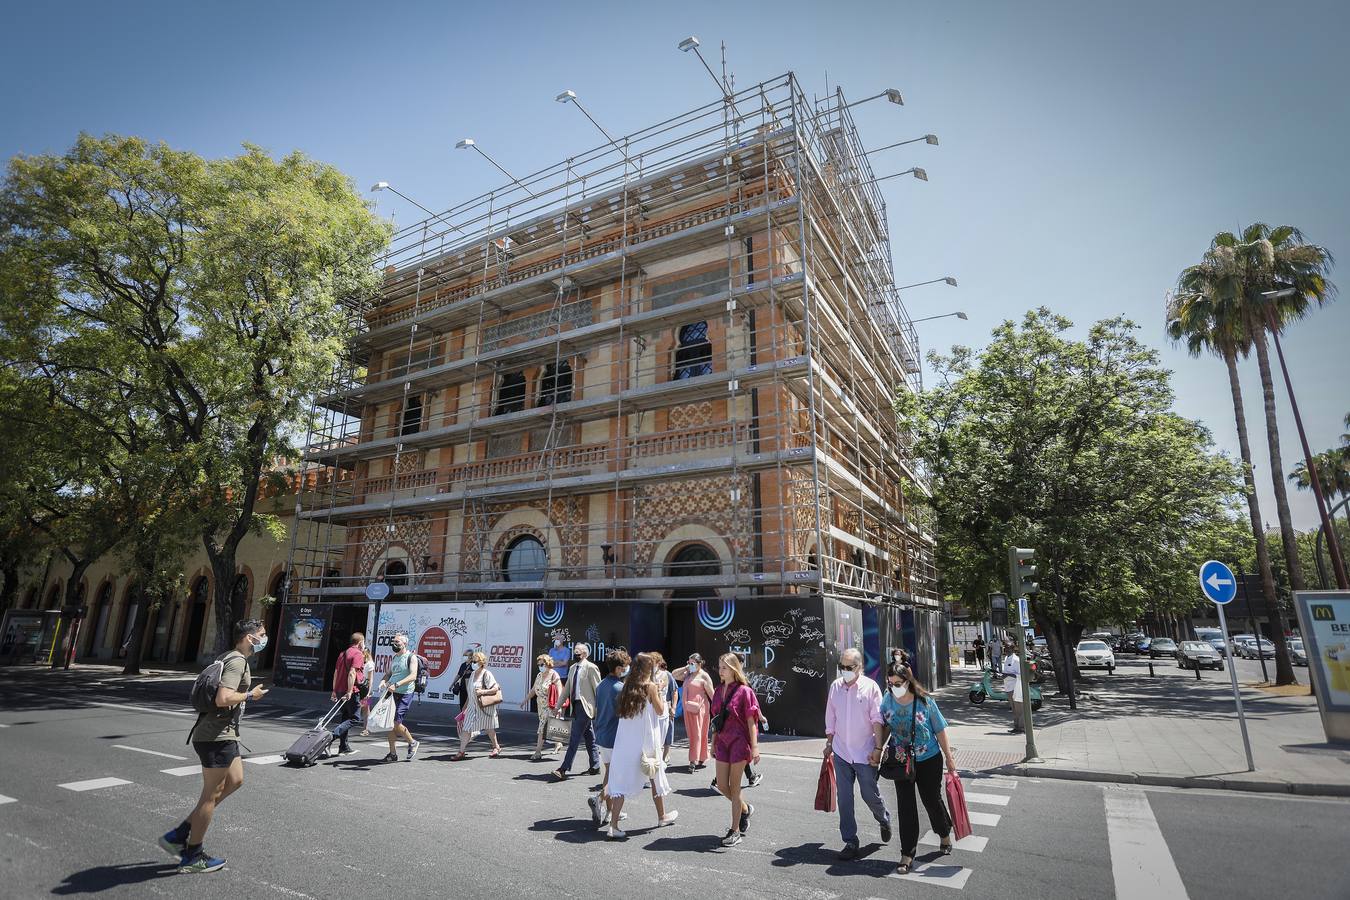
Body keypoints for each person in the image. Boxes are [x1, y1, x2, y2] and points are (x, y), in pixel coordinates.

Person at [159, 619, 269, 874]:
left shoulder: (227, 656)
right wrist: (251, 694)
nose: (265, 639)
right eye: (262, 635)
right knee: (210, 796)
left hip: (225, 734)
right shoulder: (237, 660)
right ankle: (192, 854)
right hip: (215, 735)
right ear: (250, 638)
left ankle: (182, 832)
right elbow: (223, 698)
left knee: (236, 780)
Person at [881, 661, 957, 874]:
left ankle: (943, 832)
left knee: (931, 800)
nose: (894, 687)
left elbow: (940, 730)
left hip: (929, 759)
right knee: (905, 807)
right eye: (890, 683)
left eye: (898, 683)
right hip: (901, 761)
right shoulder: (887, 700)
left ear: (908, 681)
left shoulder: (925, 701)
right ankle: (907, 854)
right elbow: (885, 725)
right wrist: (878, 748)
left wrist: (949, 758)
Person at [824, 646, 892, 861]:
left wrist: (878, 749)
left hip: (865, 753)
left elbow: (877, 720)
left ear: (859, 667)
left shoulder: (870, 688)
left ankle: (883, 818)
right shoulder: (835, 687)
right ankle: (850, 841)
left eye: (849, 667)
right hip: (842, 752)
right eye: (841, 666)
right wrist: (829, 743)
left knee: (869, 794)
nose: (844, 671)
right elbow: (831, 718)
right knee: (844, 798)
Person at [605, 652, 678, 839]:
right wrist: (660, 692)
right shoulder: (650, 686)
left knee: (620, 781)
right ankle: (662, 816)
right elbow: (661, 710)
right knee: (655, 774)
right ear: (648, 668)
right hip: (647, 739)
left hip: (625, 741)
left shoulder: (627, 686)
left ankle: (613, 825)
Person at [709, 653, 760, 847]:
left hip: (740, 742)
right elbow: (715, 721)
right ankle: (745, 809)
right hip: (722, 742)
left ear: (734, 669)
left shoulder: (744, 691)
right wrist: (713, 743)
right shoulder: (718, 690)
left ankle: (735, 830)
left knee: (736, 787)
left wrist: (755, 747)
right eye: (720, 667)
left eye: (724, 667)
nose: (720, 670)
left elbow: (751, 721)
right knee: (722, 785)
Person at [588, 649, 630, 827]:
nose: (627, 669)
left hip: (602, 736)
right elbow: (627, 713)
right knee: (616, 779)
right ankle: (599, 798)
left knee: (609, 774)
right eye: (626, 666)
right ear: (619, 668)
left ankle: (610, 812)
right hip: (615, 738)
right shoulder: (620, 688)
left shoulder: (602, 685)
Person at [553, 642, 601, 780]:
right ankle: (595, 765)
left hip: (586, 707)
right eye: (575, 651)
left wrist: (598, 710)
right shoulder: (573, 668)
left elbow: (598, 690)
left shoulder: (591, 668)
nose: (576, 653)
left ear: (585, 654)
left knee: (574, 737)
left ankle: (563, 768)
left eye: (578, 651)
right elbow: (566, 689)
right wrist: (558, 706)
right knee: (589, 736)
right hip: (576, 706)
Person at [454, 651, 502, 759]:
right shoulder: (472, 674)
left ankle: (496, 747)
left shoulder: (487, 674)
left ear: (481, 662)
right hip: (472, 707)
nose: (472, 663)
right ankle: (461, 752)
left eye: (475, 661)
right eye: (472, 661)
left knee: (489, 728)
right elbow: (470, 693)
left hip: (485, 707)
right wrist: (464, 707)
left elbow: (495, 688)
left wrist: (482, 692)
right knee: (466, 728)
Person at [380, 633, 420, 762]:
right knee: (390, 724)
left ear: (405, 644)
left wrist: (397, 684)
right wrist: (383, 681)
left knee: (396, 723)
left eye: (397, 642)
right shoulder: (395, 658)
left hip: (405, 693)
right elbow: (388, 674)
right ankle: (392, 754)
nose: (394, 644)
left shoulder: (411, 657)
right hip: (392, 692)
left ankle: (412, 742)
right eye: (393, 642)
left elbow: (413, 676)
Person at [673, 653, 714, 771]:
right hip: (688, 709)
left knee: (698, 734)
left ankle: (693, 760)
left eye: (693, 663)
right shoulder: (687, 674)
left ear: (699, 664)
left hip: (700, 709)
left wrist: (717, 710)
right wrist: (686, 667)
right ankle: (700, 757)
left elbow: (712, 695)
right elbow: (674, 674)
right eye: (689, 663)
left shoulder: (704, 676)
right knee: (692, 734)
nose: (690, 665)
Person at [329, 632, 366, 756]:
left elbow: (336, 673)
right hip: (351, 691)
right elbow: (352, 673)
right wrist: (350, 691)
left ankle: (343, 746)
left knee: (345, 717)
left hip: (339, 690)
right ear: (360, 642)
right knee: (355, 718)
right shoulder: (358, 654)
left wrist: (334, 690)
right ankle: (332, 735)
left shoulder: (342, 654)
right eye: (364, 642)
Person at [522, 653, 563, 761]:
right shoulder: (539, 675)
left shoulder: (554, 675)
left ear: (548, 663)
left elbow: (559, 691)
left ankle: (538, 751)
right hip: (540, 705)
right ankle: (558, 743)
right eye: (539, 664)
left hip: (550, 706)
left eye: (542, 664)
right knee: (549, 727)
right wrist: (525, 700)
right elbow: (533, 690)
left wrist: (558, 707)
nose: (540, 666)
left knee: (542, 727)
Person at [650, 651, 676, 763]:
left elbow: (674, 691)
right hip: (651, 710)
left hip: (663, 708)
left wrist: (673, 707)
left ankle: (662, 758)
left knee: (661, 737)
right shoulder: (647, 675)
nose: (652, 665)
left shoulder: (665, 675)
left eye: (654, 663)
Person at [1001, 638, 1023, 734]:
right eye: (1005, 647)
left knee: (1018, 708)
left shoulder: (1016, 660)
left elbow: (1020, 674)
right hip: (1008, 687)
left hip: (1015, 687)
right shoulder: (1006, 658)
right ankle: (1016, 726)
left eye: (1008, 647)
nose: (1006, 649)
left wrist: (1008, 675)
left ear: (1013, 649)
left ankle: (1021, 727)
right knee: (1013, 709)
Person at [359, 646, 375, 736]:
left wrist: (369, 691)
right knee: (360, 707)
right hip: (358, 687)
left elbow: (371, 679)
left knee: (366, 708)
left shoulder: (370, 664)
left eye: (363, 652)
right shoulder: (360, 662)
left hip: (366, 688)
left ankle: (366, 729)